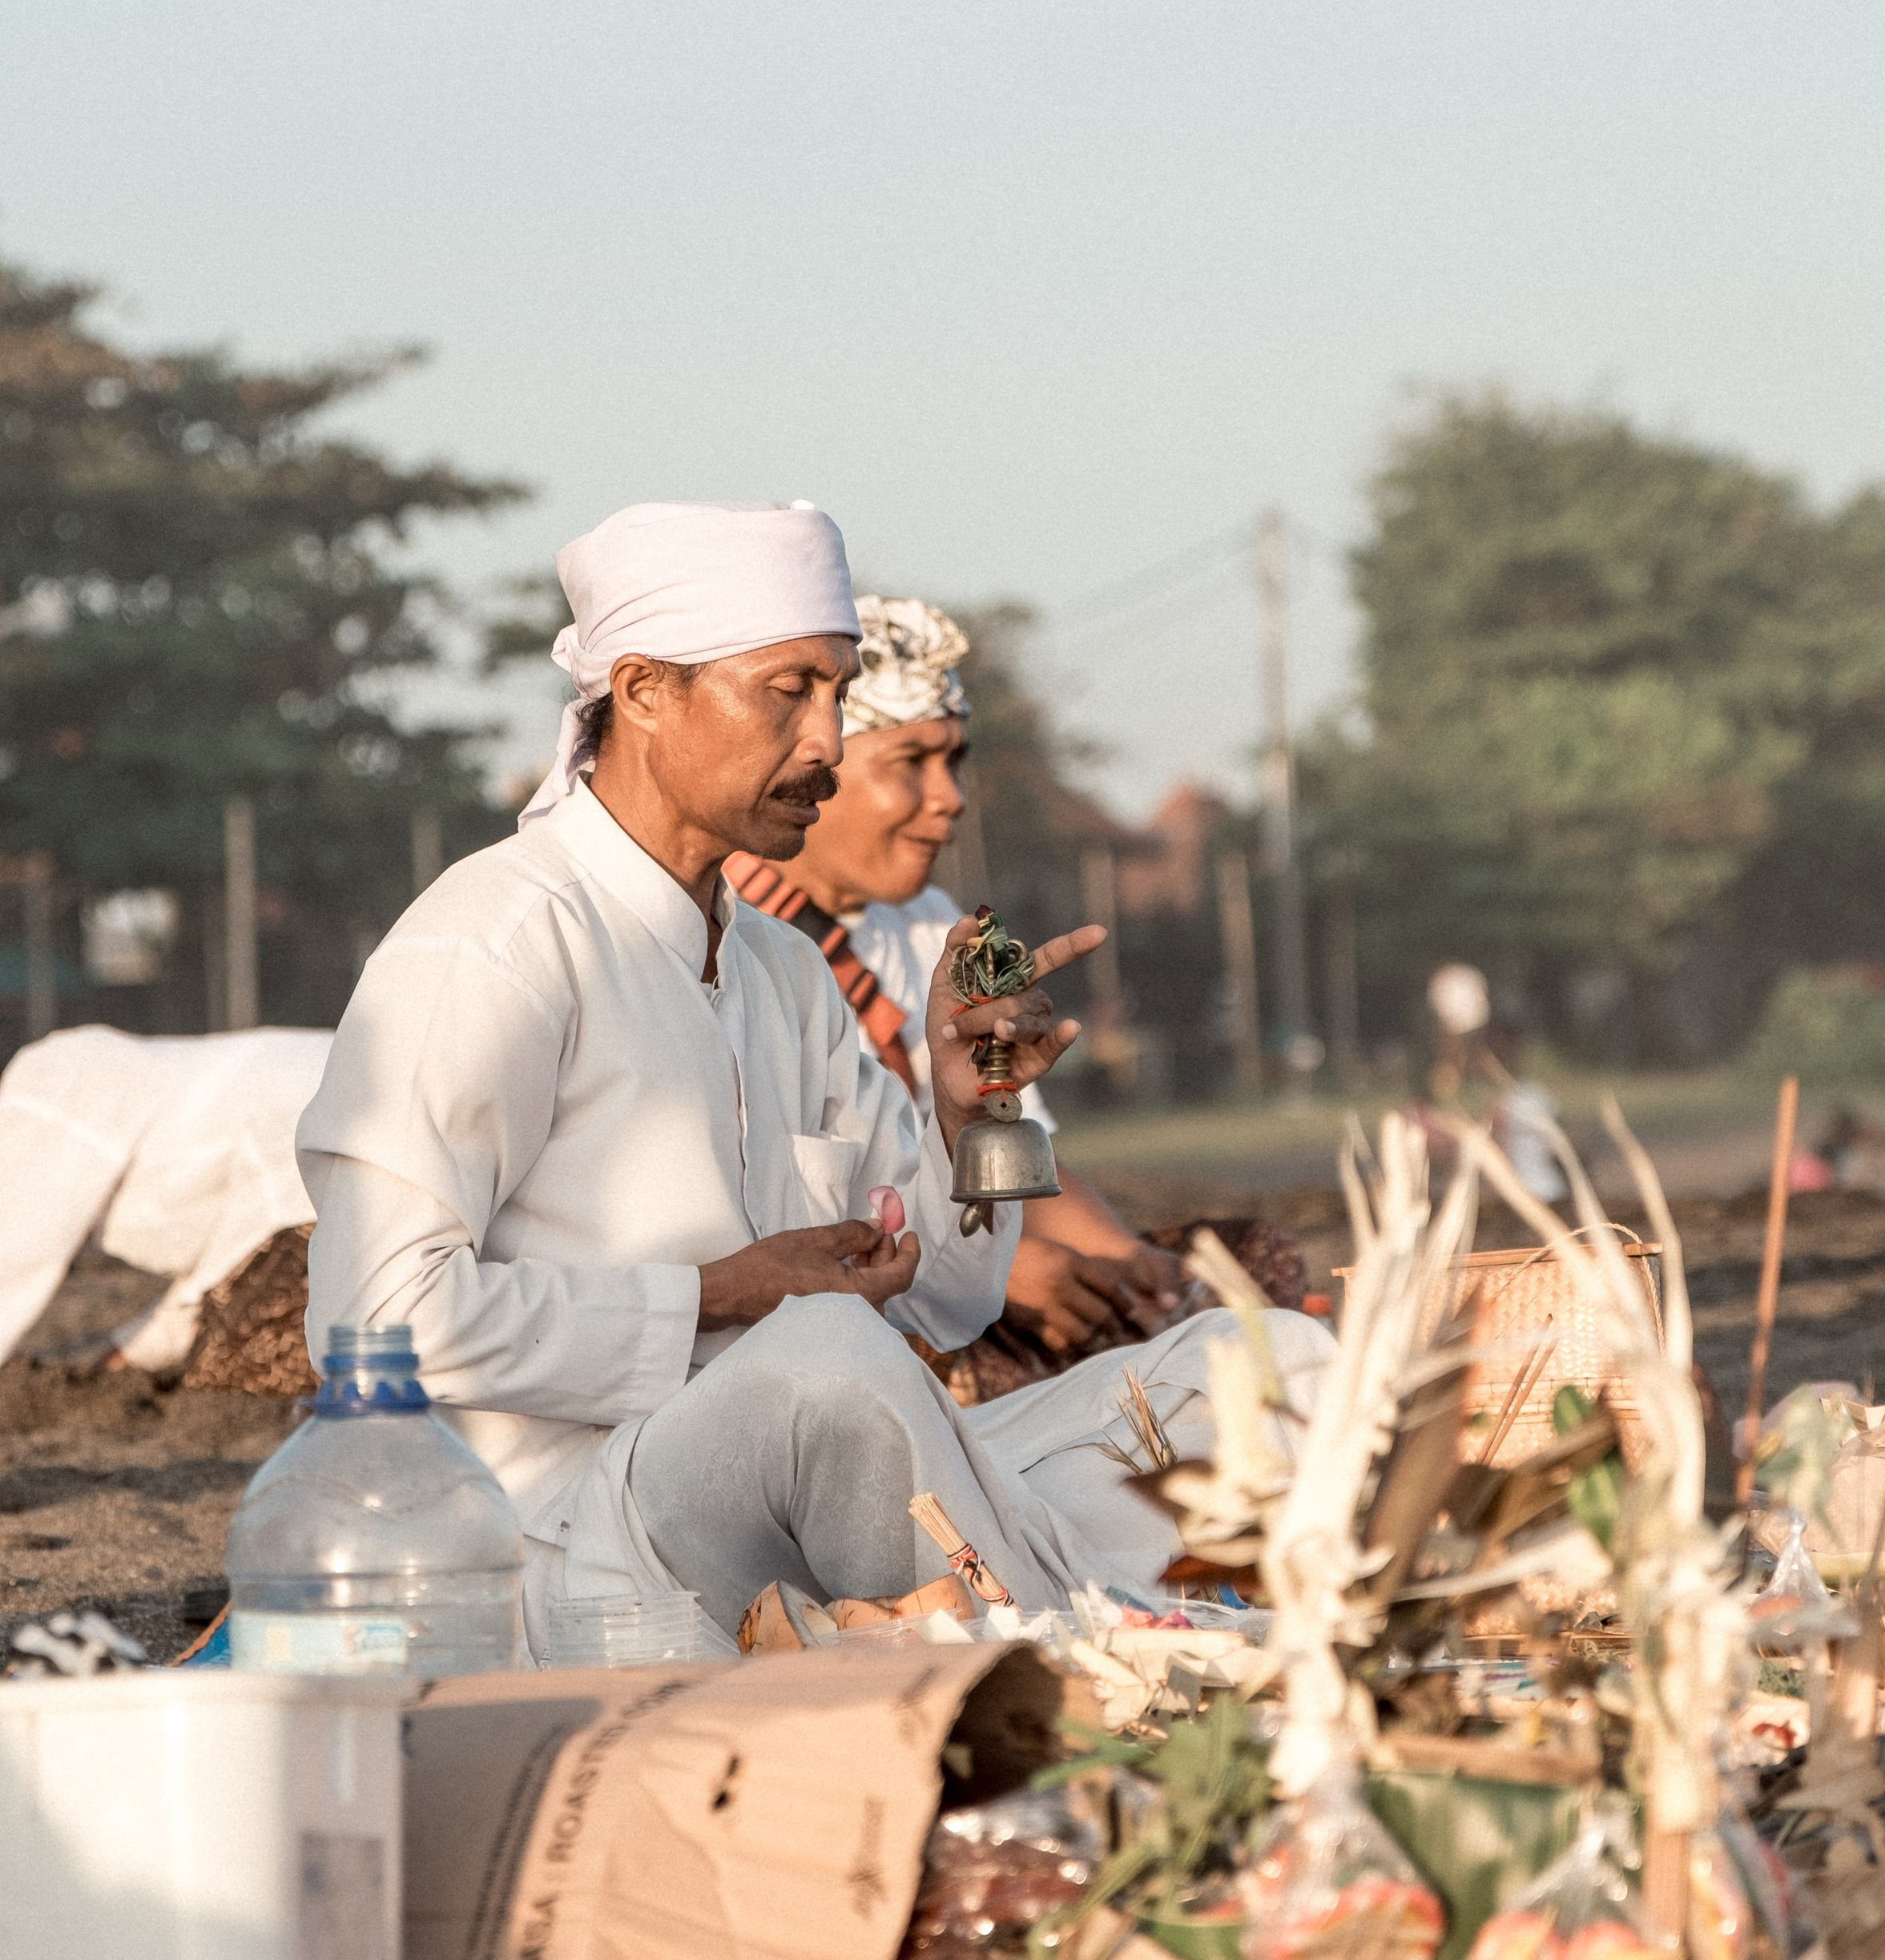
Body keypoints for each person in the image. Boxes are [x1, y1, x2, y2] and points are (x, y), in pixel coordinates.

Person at [298, 501, 1331, 1655]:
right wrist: (722, 1295)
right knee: (826, 1355)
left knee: (1265, 1363)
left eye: (837, 694)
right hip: (569, 1543)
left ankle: (1066, 1617)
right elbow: (368, 1316)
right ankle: (1109, 1645)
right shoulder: (493, 940)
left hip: (814, 1498)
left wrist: (979, 1108)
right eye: (787, 691)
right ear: (642, 691)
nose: (828, 741)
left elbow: (952, 1297)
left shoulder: (781, 967)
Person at [723, 595, 1199, 1379]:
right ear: (818, 771)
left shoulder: (940, 926)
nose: (950, 796)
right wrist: (999, 1270)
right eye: (909, 763)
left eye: (952, 759)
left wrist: (1125, 1256)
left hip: (954, 1257)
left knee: (1232, 1272)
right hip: (845, 1306)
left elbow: (1010, 1144)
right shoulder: (734, 936)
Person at [0, 1023, 329, 1372]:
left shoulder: (54, 1088)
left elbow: (15, 1253)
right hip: (336, 1088)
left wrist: (129, 1352)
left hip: (326, 1108)